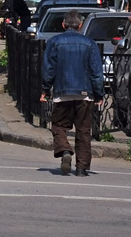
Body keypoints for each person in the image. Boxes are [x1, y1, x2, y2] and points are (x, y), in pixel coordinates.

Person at [41, 10, 104, 177]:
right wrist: (99, 94)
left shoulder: (54, 42)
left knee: (59, 126)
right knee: (83, 130)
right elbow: (96, 72)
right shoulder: (89, 43)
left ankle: (65, 150)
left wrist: (45, 89)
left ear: (63, 25)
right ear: (80, 25)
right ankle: (82, 168)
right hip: (85, 93)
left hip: (62, 92)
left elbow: (48, 69)